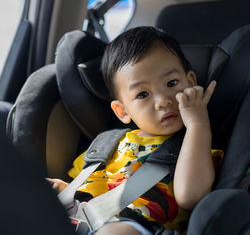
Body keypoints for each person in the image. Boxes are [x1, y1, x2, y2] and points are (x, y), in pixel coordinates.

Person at [47, 26, 223, 235]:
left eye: (172, 83)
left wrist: (197, 124)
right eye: (142, 94)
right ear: (122, 111)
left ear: (191, 82)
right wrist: (59, 189)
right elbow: (83, 190)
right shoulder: (106, 144)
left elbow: (191, 195)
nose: (162, 101)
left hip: (138, 226)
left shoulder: (195, 145)